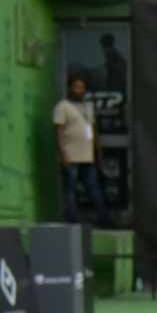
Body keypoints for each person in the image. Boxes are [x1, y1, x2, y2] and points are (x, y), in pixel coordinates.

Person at [53, 75, 109, 227]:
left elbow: (92, 130)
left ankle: (104, 219)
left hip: (88, 156)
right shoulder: (62, 106)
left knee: (93, 188)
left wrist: (98, 152)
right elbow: (58, 131)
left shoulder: (87, 107)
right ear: (70, 88)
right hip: (70, 156)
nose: (80, 90)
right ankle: (72, 220)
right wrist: (63, 155)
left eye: (82, 87)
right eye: (77, 87)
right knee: (70, 190)